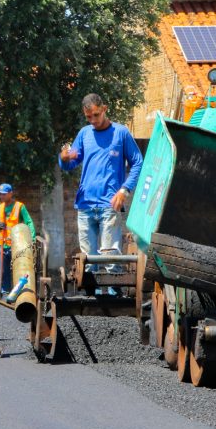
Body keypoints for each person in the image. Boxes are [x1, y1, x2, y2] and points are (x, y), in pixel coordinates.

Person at [59, 93, 143, 295]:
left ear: (104, 108)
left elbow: (138, 162)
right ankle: (92, 299)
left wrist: (124, 190)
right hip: (85, 205)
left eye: (96, 115)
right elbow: (70, 163)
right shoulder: (84, 134)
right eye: (89, 117)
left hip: (109, 205)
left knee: (110, 255)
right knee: (88, 259)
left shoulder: (121, 133)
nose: (93, 121)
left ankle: (115, 298)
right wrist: (63, 158)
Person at [0, 183, 36, 296]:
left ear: (10, 193)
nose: (1, 197)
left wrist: (32, 238)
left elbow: (29, 222)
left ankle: (19, 290)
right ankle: (5, 290)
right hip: (3, 243)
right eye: (0, 194)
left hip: (17, 244)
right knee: (2, 270)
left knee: (19, 268)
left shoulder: (19, 206)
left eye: (3, 194)